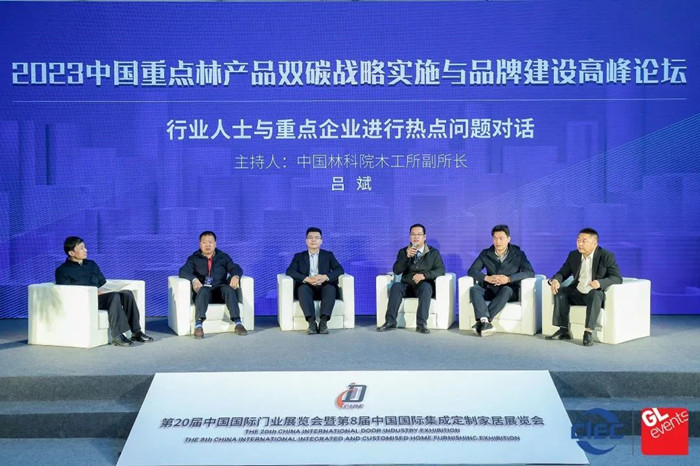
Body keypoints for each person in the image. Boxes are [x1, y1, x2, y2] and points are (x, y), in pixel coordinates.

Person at [55, 236, 153, 347]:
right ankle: (117, 335)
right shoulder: (62, 270)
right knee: (114, 296)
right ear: (71, 253)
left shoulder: (91, 264)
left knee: (127, 293)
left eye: (85, 247)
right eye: (81, 248)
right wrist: (92, 292)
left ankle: (136, 332)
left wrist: (110, 289)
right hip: (84, 300)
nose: (86, 250)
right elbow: (67, 293)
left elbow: (101, 282)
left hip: (99, 296)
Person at [546, 228, 622, 346]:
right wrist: (555, 280)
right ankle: (563, 330)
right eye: (578, 240)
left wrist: (600, 283)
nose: (580, 244)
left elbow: (617, 278)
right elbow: (563, 272)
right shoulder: (573, 255)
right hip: (578, 292)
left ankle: (588, 332)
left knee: (595, 293)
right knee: (560, 292)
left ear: (594, 244)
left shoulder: (606, 256)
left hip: (593, 294)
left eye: (584, 241)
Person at [467, 224, 535, 337]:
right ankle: (485, 321)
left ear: (508, 239)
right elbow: (472, 270)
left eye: (501, 238)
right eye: (495, 238)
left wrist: (508, 279)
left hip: (509, 290)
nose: (498, 242)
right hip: (490, 288)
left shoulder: (518, 254)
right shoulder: (485, 253)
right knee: (474, 289)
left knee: (507, 289)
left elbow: (530, 272)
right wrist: (487, 278)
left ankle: (483, 322)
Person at [378, 223, 446, 334]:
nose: (416, 237)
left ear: (424, 237)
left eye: (419, 234)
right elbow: (396, 271)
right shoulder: (403, 251)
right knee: (396, 286)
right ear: (410, 237)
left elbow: (440, 270)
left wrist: (424, 275)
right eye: (413, 234)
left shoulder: (433, 253)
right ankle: (390, 321)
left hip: (423, 285)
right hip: (407, 285)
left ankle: (421, 324)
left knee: (426, 287)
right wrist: (406, 257)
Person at [178, 231, 248, 338]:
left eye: (210, 242)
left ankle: (238, 323)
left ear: (215, 243)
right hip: (204, 293)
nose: (207, 245)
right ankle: (198, 325)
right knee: (203, 290)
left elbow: (236, 268)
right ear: (200, 244)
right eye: (204, 242)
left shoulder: (223, 257)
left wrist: (236, 276)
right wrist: (194, 280)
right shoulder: (194, 258)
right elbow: (183, 271)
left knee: (228, 289)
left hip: (220, 292)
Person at [286, 227, 345, 335]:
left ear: (321, 241)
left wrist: (325, 277)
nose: (313, 240)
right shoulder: (299, 256)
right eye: (310, 237)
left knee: (330, 288)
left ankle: (323, 323)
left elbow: (339, 269)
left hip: (324, 286)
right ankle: (311, 323)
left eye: (317, 238)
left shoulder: (328, 255)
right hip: (307, 287)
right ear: (306, 240)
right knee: (302, 289)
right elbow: (290, 271)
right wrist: (306, 279)